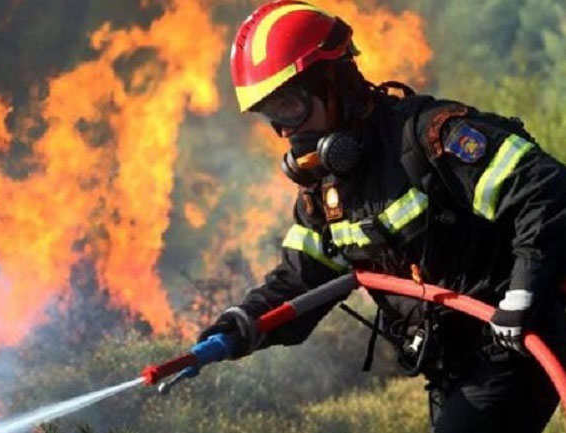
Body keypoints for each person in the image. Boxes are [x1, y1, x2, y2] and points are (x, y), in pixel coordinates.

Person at [198, 2, 566, 432]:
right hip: (453, 367)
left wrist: (522, 296)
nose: (286, 132)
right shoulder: (329, 192)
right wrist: (241, 325)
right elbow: (304, 276)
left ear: (333, 82)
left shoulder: (431, 137)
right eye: (273, 117)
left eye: (291, 108)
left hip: (520, 338)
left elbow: (545, 191)